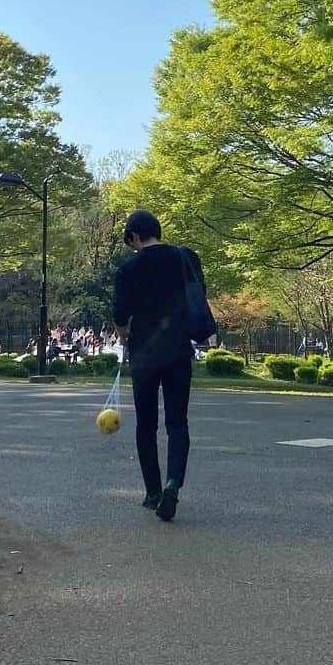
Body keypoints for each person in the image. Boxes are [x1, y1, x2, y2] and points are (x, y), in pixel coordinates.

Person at [111, 209, 205, 522]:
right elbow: (198, 293)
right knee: (178, 422)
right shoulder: (184, 258)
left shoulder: (128, 269)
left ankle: (152, 492)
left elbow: (120, 315)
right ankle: (173, 482)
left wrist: (124, 334)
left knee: (146, 424)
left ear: (134, 236)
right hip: (178, 350)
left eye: (131, 241)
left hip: (145, 355)